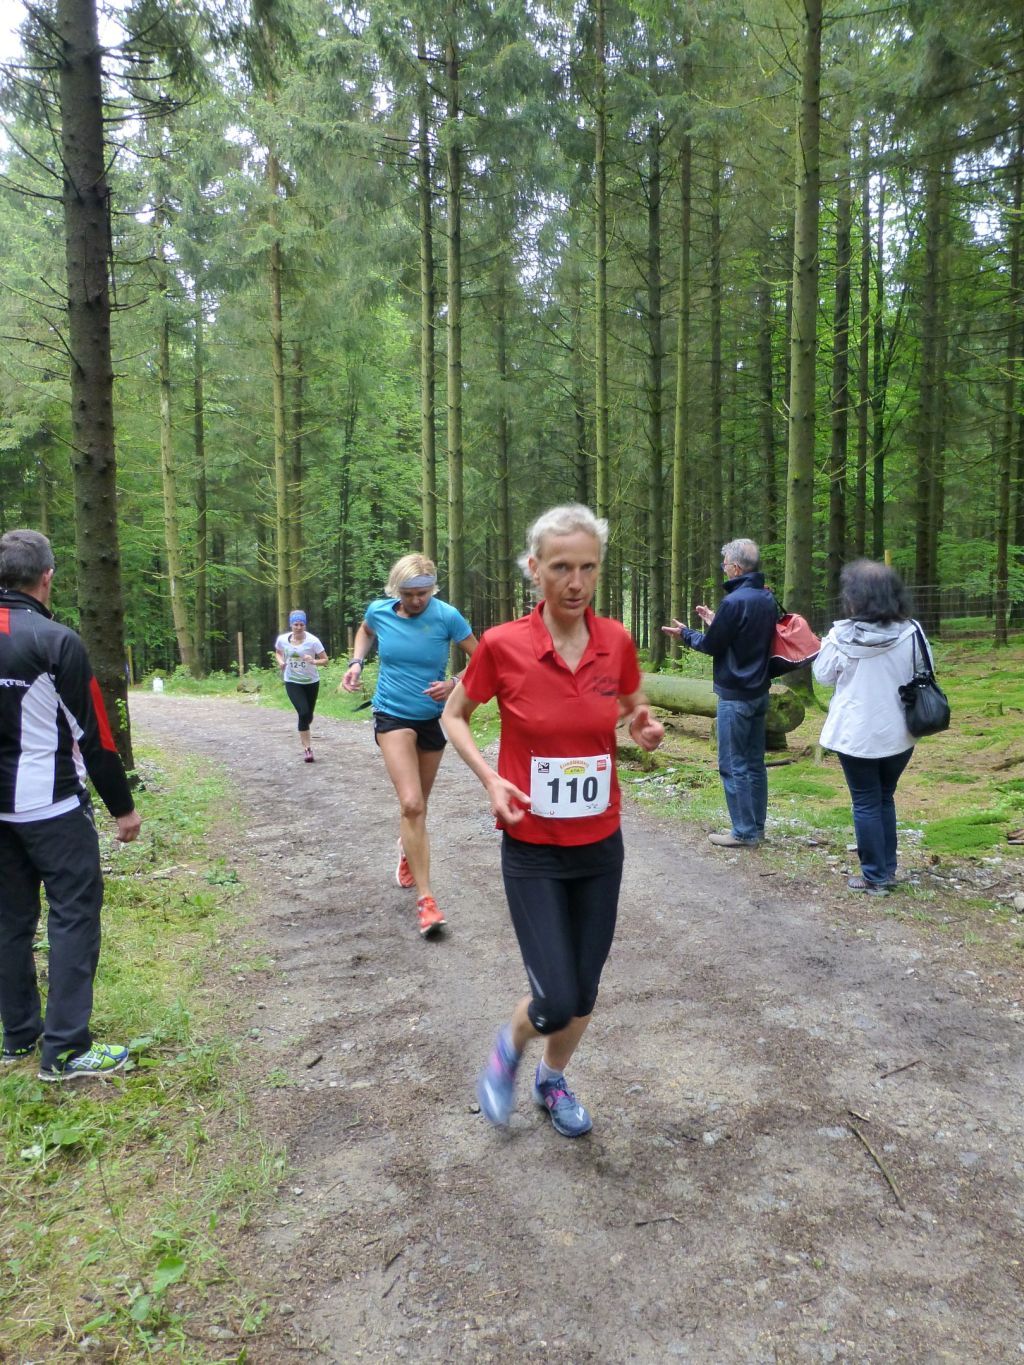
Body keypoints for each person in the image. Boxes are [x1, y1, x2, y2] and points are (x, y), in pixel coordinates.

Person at [442, 505, 663, 1138]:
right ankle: (510, 1044)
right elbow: (454, 715)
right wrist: (491, 779)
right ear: (534, 569)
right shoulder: (502, 645)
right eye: (562, 567)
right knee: (556, 998)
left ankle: (551, 1079)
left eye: (588, 567)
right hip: (533, 845)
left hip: (600, 842)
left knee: (584, 993)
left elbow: (633, 705)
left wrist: (642, 726)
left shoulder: (615, 640)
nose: (576, 582)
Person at [0, 530, 142, 1082]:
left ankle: (18, 1037)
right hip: (52, 807)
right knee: (73, 915)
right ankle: (63, 1050)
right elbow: (97, 736)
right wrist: (123, 808)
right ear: (47, 577)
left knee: (9, 919)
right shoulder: (56, 640)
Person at [341, 554, 477, 937]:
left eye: (424, 593)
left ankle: (407, 848)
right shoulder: (379, 612)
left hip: (431, 718)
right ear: (395, 591)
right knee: (412, 803)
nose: (417, 601)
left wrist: (454, 683)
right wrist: (356, 663)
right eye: (409, 594)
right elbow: (365, 631)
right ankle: (427, 901)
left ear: (433, 589)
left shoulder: (447, 616)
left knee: (419, 807)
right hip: (392, 715)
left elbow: (483, 656)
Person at [813, 560, 925, 896]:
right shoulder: (913, 631)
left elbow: (822, 676)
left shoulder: (840, 636)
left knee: (865, 801)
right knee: (884, 797)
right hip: (899, 731)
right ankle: (886, 869)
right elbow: (923, 670)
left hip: (855, 734)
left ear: (856, 597)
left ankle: (875, 877)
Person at [662, 537, 776, 848]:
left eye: (725, 565)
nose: (723, 569)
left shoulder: (734, 601)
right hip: (760, 692)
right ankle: (756, 827)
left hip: (735, 696)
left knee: (732, 763)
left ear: (736, 568)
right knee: (754, 763)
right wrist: (716, 621)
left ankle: (743, 832)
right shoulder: (766, 598)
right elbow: (745, 635)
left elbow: (712, 645)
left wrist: (685, 633)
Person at [274, 610, 329, 763]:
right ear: (291, 625)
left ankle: (306, 722)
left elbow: (325, 660)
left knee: (308, 715)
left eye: (301, 624)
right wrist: (281, 662)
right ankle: (307, 749)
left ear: (305, 625)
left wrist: (313, 661)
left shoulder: (313, 641)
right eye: (296, 624)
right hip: (292, 681)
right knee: (303, 712)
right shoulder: (282, 639)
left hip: (311, 682)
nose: (298, 627)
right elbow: (278, 652)